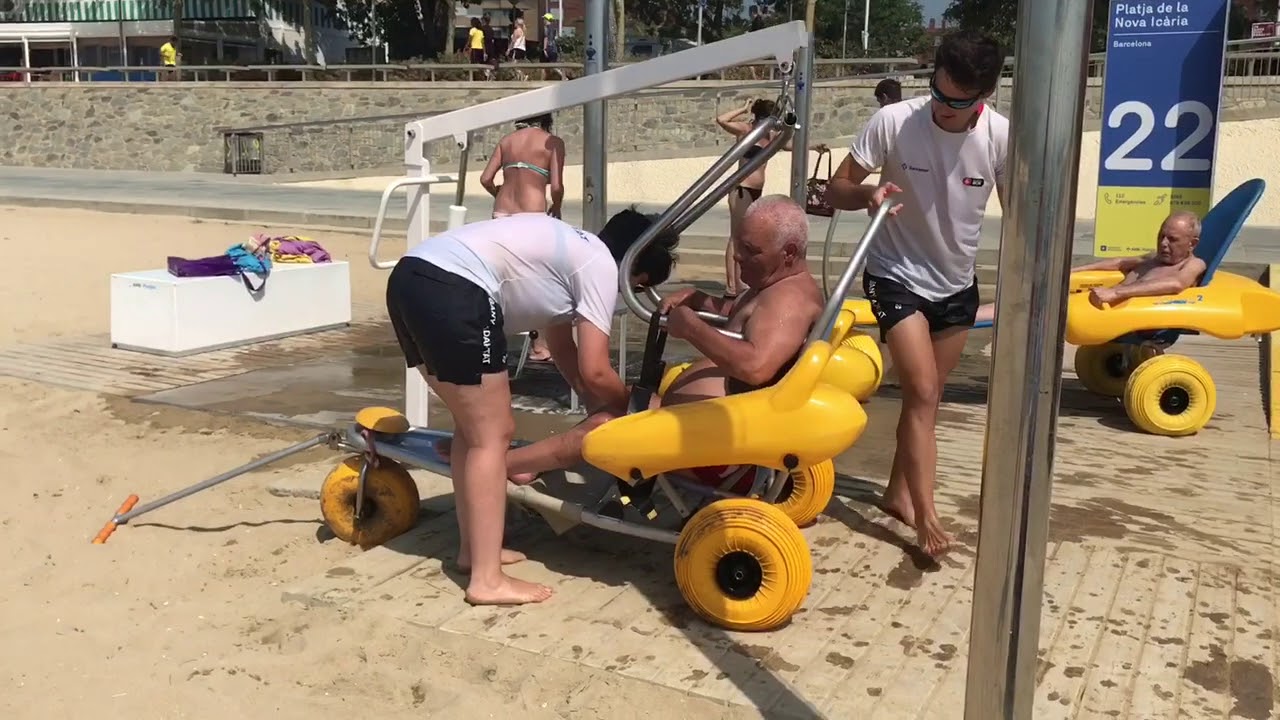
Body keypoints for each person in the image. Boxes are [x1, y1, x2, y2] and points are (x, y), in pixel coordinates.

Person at [385, 210, 679, 606]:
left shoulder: (572, 250)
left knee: (473, 430)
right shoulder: (602, 266)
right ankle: (486, 581)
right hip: (455, 287)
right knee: (493, 434)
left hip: (410, 279)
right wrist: (631, 411)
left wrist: (600, 408)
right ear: (636, 273)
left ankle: (474, 553)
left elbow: (563, 349)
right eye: (638, 290)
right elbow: (595, 369)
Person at [464, 196, 823, 484]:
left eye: (750, 250)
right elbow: (744, 323)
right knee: (618, 406)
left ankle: (494, 466)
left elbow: (755, 367)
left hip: (720, 452)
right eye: (738, 246)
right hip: (707, 430)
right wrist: (699, 300)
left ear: (789, 252)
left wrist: (693, 328)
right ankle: (530, 462)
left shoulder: (788, 302)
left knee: (606, 426)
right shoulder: (774, 289)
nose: (738, 256)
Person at [823, 29, 1008, 557]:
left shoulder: (999, 136)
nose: (943, 108)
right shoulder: (895, 121)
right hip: (894, 274)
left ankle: (896, 493)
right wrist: (867, 194)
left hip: (956, 285)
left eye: (958, 102)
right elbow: (835, 188)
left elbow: (1020, 215)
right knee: (922, 392)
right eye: (938, 92)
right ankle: (926, 517)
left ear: (983, 96)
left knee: (925, 402)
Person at [973, 211, 1206, 323]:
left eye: (1172, 239)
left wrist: (1116, 292)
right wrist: (1072, 272)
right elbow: (1119, 263)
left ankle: (966, 318)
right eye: (1161, 236)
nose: (1164, 243)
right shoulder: (1154, 258)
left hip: (1113, 313)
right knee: (1033, 293)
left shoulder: (1192, 264)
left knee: (1029, 305)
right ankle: (969, 316)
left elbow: (1176, 284)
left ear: (1192, 243)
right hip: (1099, 303)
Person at [714, 99, 826, 299]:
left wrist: (814, 146)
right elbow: (721, 120)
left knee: (744, 236)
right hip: (742, 188)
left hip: (757, 190)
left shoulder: (772, 136)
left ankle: (739, 283)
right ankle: (732, 286)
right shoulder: (746, 130)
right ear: (760, 118)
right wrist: (743, 108)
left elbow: (791, 145)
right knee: (737, 236)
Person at [480, 113, 567, 361]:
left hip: (502, 211)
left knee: (499, 277)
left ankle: (490, 344)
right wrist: (557, 206)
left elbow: (486, 178)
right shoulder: (552, 142)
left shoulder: (507, 141)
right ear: (547, 120)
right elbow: (557, 186)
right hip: (532, 213)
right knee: (535, 278)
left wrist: (498, 192)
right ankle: (539, 346)